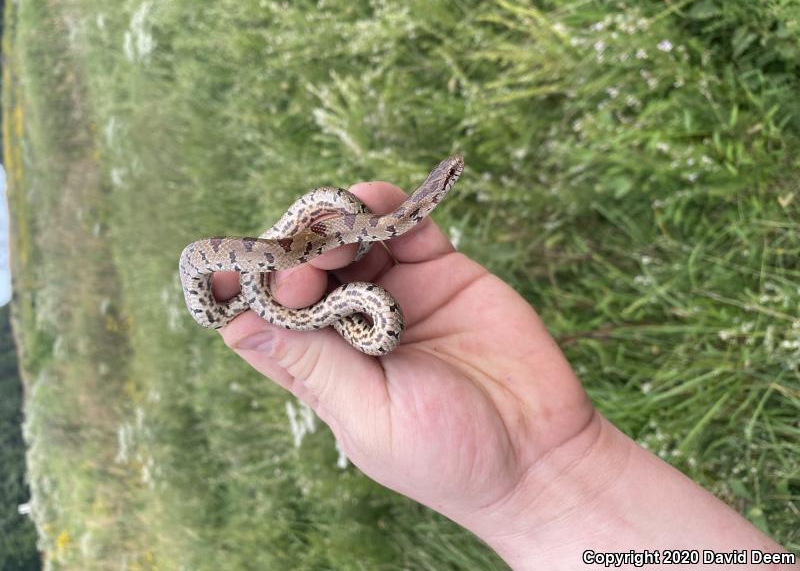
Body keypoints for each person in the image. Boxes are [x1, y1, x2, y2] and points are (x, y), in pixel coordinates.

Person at [211, 180, 797, 570]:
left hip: (334, 281)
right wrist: (536, 475)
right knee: (319, 262)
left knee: (325, 259)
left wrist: (533, 484)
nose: (456, 178)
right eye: (450, 179)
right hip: (310, 281)